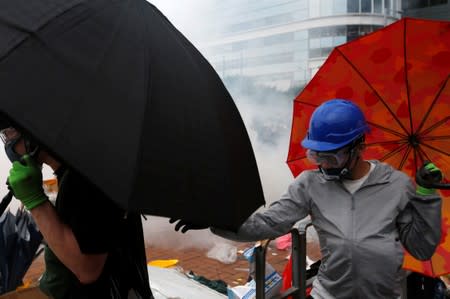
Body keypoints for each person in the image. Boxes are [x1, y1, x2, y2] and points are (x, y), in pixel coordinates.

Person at [172, 99, 443, 299]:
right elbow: (268, 223)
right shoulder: (311, 184)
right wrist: (217, 218)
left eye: (332, 156)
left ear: (359, 146)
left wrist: (427, 196)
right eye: (318, 156)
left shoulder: (396, 185)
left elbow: (421, 248)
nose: (324, 165)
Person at [0, 124, 153, 299]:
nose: (8, 144)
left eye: (10, 133)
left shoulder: (83, 180)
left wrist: (35, 201)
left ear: (33, 132)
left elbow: (87, 269)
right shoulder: (75, 170)